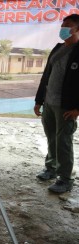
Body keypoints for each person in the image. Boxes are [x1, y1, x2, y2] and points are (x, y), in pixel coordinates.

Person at [34, 14, 79, 193]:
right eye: (62, 25)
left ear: (76, 29)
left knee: (64, 142)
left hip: (66, 107)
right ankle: (51, 168)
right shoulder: (58, 48)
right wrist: (39, 100)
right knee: (51, 137)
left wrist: (77, 108)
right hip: (49, 103)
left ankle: (65, 178)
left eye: (67, 26)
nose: (63, 29)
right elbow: (46, 76)